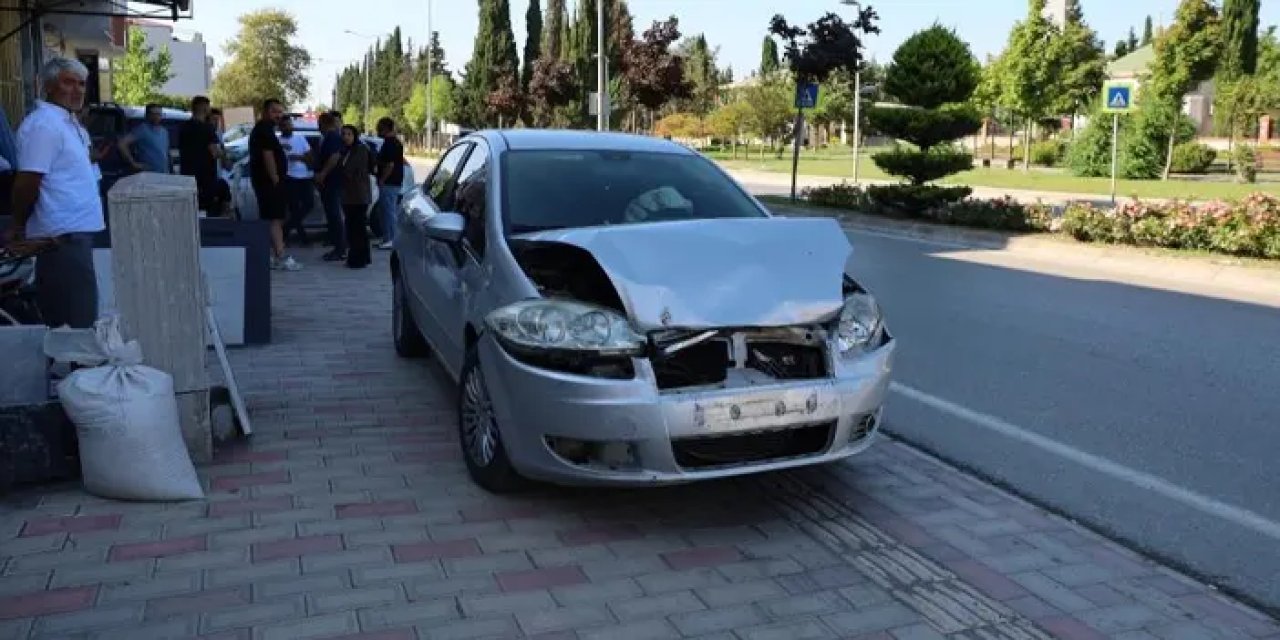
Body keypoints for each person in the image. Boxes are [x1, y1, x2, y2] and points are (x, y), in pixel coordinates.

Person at [6, 57, 104, 329]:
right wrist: (18, 224)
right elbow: (28, 181)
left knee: (74, 316)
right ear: (48, 86)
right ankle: (75, 371)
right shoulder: (44, 125)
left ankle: (71, 369)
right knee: (77, 320)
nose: (77, 90)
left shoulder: (67, 123)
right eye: (68, 82)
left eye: (82, 84)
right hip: (61, 236)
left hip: (72, 234)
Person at [249, 99, 300, 271]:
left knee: (271, 218)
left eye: (280, 112)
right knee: (275, 219)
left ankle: (270, 255)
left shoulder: (265, 129)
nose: (278, 115)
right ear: (265, 111)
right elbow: (267, 155)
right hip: (269, 182)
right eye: (274, 111)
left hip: (266, 181)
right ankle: (280, 256)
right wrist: (275, 177)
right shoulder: (264, 129)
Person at [177, 96, 222, 215]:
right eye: (208, 106)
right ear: (203, 107)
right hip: (205, 176)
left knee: (191, 210)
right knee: (207, 210)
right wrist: (224, 156)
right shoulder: (207, 128)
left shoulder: (184, 127)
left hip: (188, 175)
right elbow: (214, 151)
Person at [313, 111, 348, 261]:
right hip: (329, 182)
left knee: (335, 215)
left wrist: (323, 173)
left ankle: (340, 249)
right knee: (332, 215)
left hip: (333, 182)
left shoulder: (332, 137)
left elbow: (334, 157)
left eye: (319, 124)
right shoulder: (328, 137)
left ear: (324, 124)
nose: (318, 127)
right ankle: (337, 246)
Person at [339, 125, 373, 269]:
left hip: (358, 195)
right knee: (353, 226)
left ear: (355, 136)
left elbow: (351, 170)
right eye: (344, 134)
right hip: (349, 195)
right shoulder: (346, 151)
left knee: (357, 228)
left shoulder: (360, 150)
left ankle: (357, 259)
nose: (346, 137)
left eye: (349, 134)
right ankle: (361, 257)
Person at [279, 115, 314, 245]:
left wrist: (299, 157)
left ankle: (286, 229)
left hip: (304, 177)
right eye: (284, 125)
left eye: (289, 124)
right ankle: (303, 238)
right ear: (280, 127)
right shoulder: (278, 141)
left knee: (309, 204)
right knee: (293, 208)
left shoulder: (300, 138)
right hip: (288, 178)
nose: (287, 127)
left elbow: (311, 158)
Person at [375, 117, 405, 250]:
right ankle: (387, 237)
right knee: (385, 210)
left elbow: (390, 164)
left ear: (386, 128)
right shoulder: (395, 142)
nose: (377, 130)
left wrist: (382, 179)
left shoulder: (390, 143)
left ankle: (391, 239)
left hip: (390, 182)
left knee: (388, 211)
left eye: (379, 127)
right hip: (393, 181)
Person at [117, 103, 170, 174]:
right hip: (148, 174)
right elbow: (121, 144)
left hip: (163, 173)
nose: (156, 116)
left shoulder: (164, 131)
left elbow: (165, 152)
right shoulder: (142, 129)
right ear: (147, 115)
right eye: (153, 114)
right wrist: (133, 163)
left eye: (159, 114)